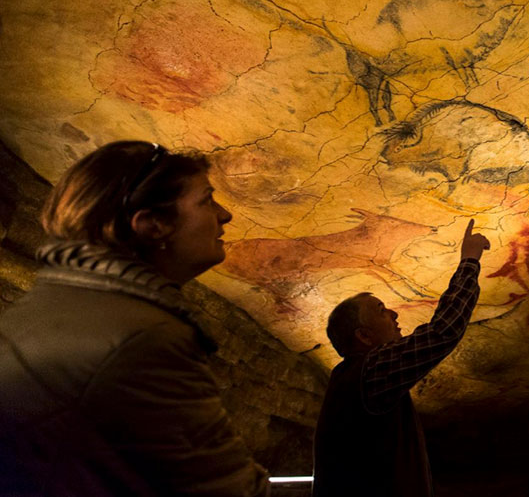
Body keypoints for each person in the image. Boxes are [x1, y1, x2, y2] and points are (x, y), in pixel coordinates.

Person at [0, 141, 269, 497]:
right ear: (152, 226)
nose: (224, 215)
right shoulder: (145, 338)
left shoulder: (41, 309)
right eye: (206, 200)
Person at [312, 219, 490, 497]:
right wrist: (469, 260)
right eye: (381, 310)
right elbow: (442, 332)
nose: (394, 314)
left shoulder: (349, 380)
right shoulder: (369, 370)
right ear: (365, 336)